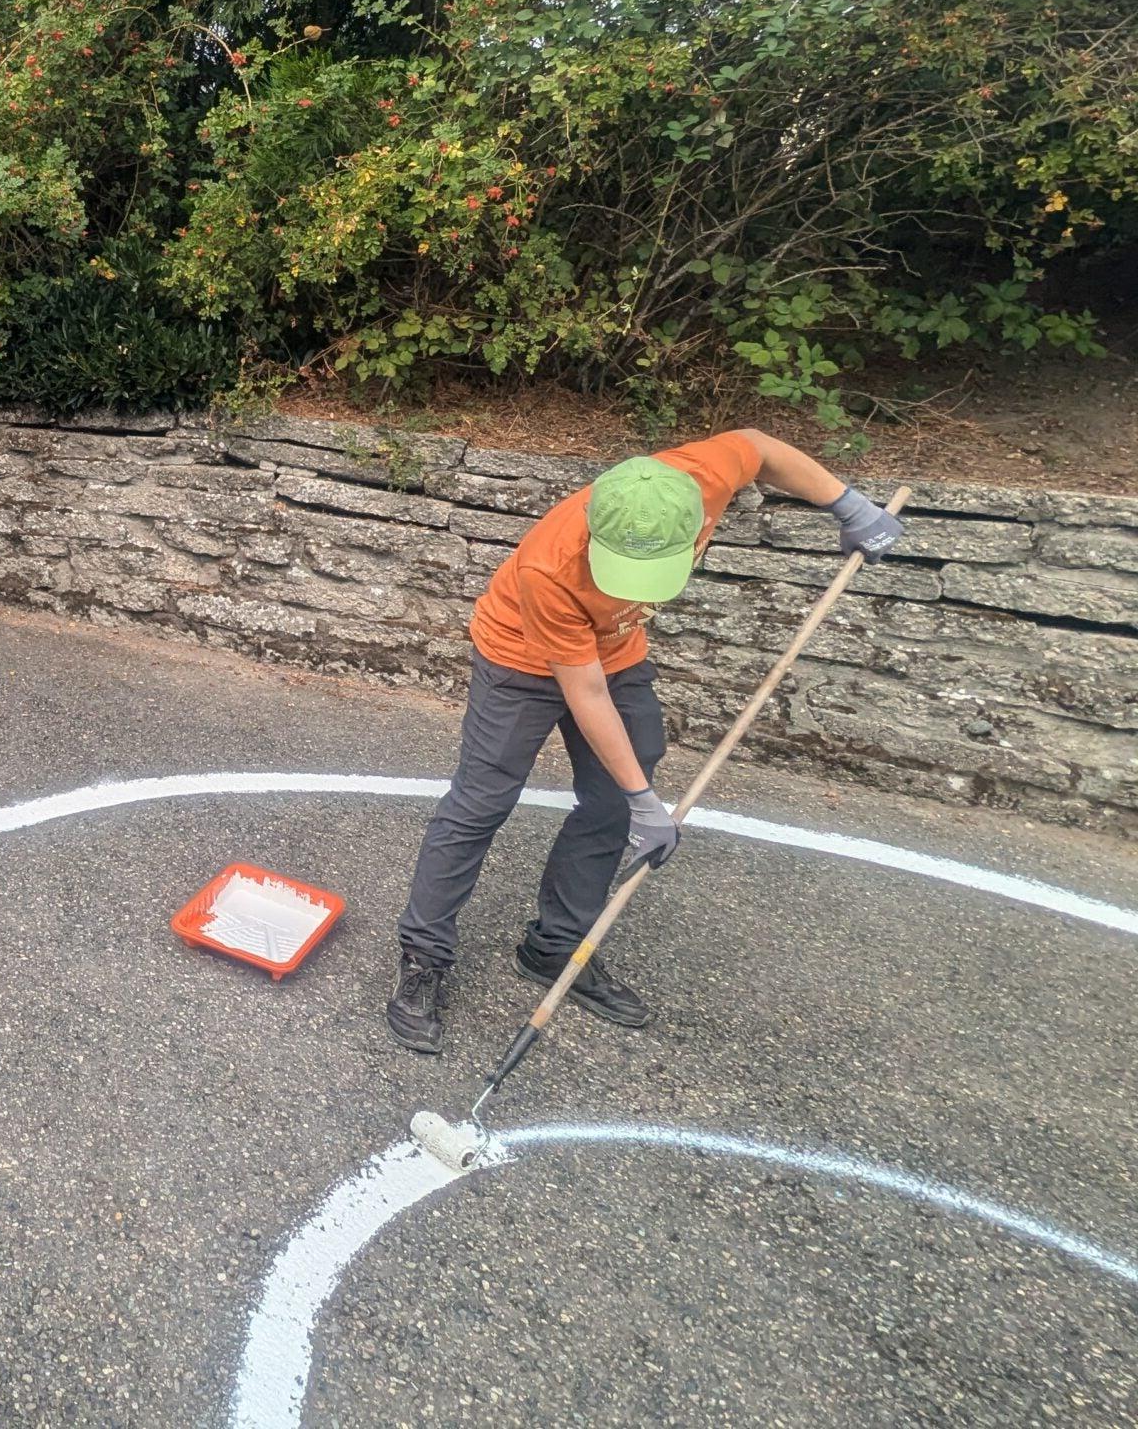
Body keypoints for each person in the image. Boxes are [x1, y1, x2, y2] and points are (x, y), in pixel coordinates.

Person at [386, 428, 905, 1055]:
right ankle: (424, 955)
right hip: (520, 660)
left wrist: (847, 505)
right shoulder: (550, 566)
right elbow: (586, 694)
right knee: (482, 801)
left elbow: (758, 447)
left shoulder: (698, 479)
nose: (631, 587)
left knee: (609, 800)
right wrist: (644, 798)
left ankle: (554, 949)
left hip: (617, 655)